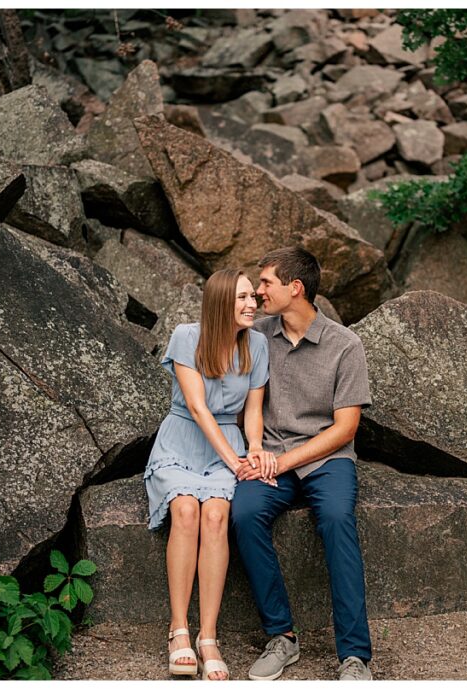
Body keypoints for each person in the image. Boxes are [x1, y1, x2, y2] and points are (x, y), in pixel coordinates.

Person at [231, 247, 374, 681]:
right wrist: (256, 454)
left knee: (335, 518)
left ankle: (354, 656)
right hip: (269, 451)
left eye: (266, 284)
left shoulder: (345, 346)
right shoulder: (257, 336)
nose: (258, 293)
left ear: (296, 288)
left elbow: (345, 428)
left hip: (325, 459)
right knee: (244, 513)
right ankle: (282, 637)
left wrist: (283, 460)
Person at [144, 268, 274, 681]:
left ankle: (209, 637)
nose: (252, 304)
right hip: (182, 441)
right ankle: (178, 630)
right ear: (221, 301)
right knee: (185, 511)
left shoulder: (256, 344)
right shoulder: (186, 336)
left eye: (253, 296)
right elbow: (199, 409)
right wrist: (236, 464)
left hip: (229, 445)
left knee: (216, 516)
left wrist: (253, 449)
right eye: (243, 297)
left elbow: (252, 409)